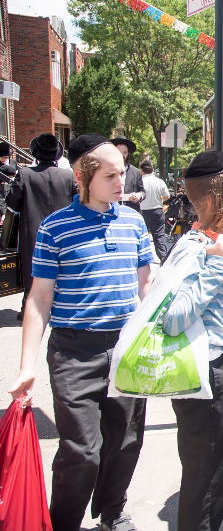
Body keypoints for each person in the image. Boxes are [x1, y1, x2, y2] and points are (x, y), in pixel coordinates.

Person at [8, 133, 154, 531]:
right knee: (82, 451)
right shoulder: (56, 228)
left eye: (122, 173)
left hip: (125, 348)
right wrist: (26, 366)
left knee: (125, 443)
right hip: (74, 352)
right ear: (82, 176)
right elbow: (38, 299)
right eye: (111, 176)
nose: (122, 183)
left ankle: (111, 513)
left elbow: (146, 287)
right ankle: (65, 523)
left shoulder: (134, 223)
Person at [160, 150, 223, 531]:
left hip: (218, 362)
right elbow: (174, 319)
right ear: (219, 200)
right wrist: (217, 264)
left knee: (214, 474)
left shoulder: (211, 241)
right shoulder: (199, 247)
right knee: (210, 478)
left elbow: (210, 310)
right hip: (208, 376)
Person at [5, 133, 75, 319]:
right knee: (64, 271)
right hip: (65, 232)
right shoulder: (69, 176)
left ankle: (30, 310)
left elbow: (12, 203)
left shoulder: (26, 174)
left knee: (33, 273)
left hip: (33, 232)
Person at [139, 159, 170, 261]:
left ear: (141, 170)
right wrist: (158, 199)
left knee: (141, 236)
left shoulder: (139, 181)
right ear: (152, 170)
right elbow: (167, 196)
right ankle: (163, 257)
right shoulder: (159, 181)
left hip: (142, 211)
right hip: (157, 210)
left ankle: (141, 258)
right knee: (159, 235)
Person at [111, 136, 145, 212]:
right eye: (119, 152)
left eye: (125, 152)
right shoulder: (107, 170)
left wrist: (139, 195)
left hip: (131, 211)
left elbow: (142, 191)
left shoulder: (136, 172)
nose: (122, 155)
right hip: (111, 211)